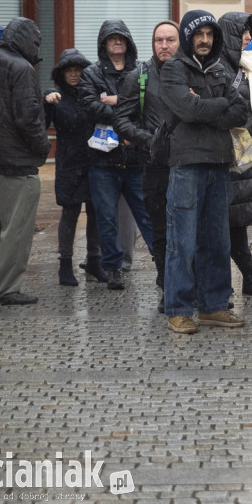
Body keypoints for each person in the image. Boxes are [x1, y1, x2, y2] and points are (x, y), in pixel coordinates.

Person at [159, 10, 250, 334]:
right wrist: (217, 105)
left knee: (217, 242)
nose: (205, 40)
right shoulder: (173, 70)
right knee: (181, 244)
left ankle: (213, 307)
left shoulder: (220, 69)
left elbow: (240, 110)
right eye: (199, 34)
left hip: (218, 165)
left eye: (210, 35)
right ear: (188, 36)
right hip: (186, 166)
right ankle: (179, 310)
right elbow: (186, 108)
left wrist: (205, 109)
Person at [0, 17, 51, 306]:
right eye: (36, 41)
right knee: (16, 230)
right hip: (18, 162)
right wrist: (43, 147)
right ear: (26, 39)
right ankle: (6, 289)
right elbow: (27, 116)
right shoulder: (22, 68)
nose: (37, 47)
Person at [78, 20, 155, 291]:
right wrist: (126, 108)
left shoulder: (141, 71)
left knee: (147, 215)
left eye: (121, 37)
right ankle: (113, 268)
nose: (117, 42)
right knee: (106, 217)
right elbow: (89, 107)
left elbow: (147, 108)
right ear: (103, 43)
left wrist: (113, 100)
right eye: (111, 38)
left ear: (129, 41)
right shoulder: (91, 73)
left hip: (136, 157)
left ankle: (163, 264)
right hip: (102, 160)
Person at [114, 20, 180, 312]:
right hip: (154, 165)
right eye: (158, 40)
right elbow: (121, 120)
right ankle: (168, 287)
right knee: (161, 230)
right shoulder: (138, 76)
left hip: (188, 162)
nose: (164, 45)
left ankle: (192, 285)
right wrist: (147, 139)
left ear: (180, 42)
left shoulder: (190, 73)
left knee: (190, 229)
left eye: (170, 40)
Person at [217, 12, 252, 299]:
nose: (249, 37)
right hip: (225, 153)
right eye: (243, 32)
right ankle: (240, 279)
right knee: (229, 219)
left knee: (235, 218)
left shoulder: (247, 66)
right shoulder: (220, 68)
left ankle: (247, 277)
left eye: (249, 32)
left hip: (244, 148)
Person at [44, 49, 105, 287]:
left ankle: (94, 261)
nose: (73, 75)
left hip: (94, 159)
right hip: (69, 163)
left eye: (78, 70)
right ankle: (65, 265)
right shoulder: (56, 98)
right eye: (69, 71)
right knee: (69, 214)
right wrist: (47, 100)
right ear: (61, 74)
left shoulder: (93, 95)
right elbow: (42, 122)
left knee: (95, 213)